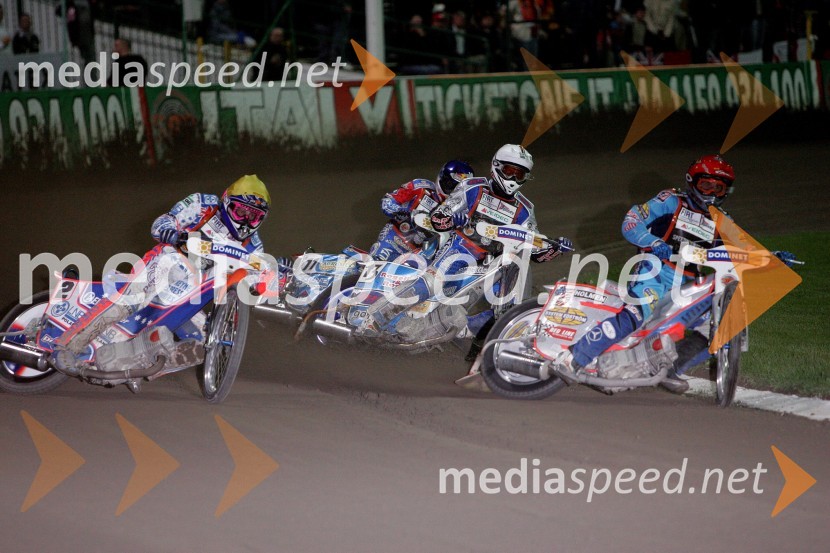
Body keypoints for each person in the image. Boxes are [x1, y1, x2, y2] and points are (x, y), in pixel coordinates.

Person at [557, 155, 797, 393]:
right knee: (637, 315)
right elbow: (631, 220)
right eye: (706, 185)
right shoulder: (671, 200)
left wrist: (772, 257)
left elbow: (744, 251)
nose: (711, 192)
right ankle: (574, 357)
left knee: (716, 329)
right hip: (655, 272)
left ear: (726, 191)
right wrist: (652, 241)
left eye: (719, 187)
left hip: (689, 284)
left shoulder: (723, 221)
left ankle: (669, 370)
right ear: (692, 182)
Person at [53, 175, 272, 370]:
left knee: (200, 343)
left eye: (253, 216)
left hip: (192, 292)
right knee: (130, 299)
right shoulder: (204, 205)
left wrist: (264, 284)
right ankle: (66, 347)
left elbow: (255, 278)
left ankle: (134, 367)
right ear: (226, 201)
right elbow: (162, 222)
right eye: (240, 211)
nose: (244, 221)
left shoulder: (254, 246)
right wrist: (171, 233)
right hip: (167, 261)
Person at [369, 144, 572, 331]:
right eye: (509, 171)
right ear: (496, 166)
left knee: (500, 303)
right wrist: (452, 220)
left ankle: (479, 341)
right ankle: (376, 319)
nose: (513, 179)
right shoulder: (473, 187)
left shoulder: (526, 209)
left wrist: (553, 248)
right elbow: (439, 217)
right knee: (432, 283)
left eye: (520, 174)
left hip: (492, 263)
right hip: (459, 249)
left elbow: (534, 249)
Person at [369, 160, 474, 262]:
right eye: (451, 185)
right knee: (373, 266)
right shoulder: (420, 186)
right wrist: (399, 210)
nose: (453, 192)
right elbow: (388, 200)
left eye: (459, 190)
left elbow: (462, 240)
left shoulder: (463, 210)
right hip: (393, 240)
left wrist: (461, 224)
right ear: (442, 178)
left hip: (423, 255)